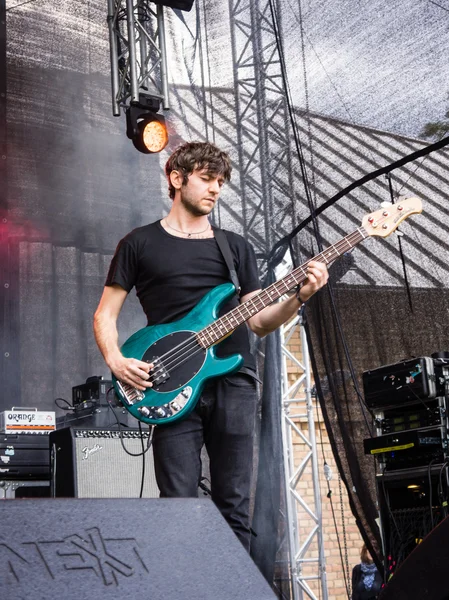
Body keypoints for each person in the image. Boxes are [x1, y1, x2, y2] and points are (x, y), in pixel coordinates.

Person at [93, 141, 328, 551]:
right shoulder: (139, 243)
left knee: (234, 506)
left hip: (233, 378)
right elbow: (104, 315)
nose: (216, 189)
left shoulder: (234, 247)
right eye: (206, 178)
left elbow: (258, 322)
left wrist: (299, 296)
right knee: (178, 503)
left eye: (221, 181)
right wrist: (116, 360)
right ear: (176, 179)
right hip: (168, 382)